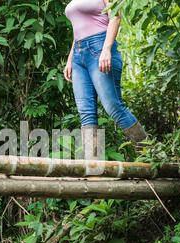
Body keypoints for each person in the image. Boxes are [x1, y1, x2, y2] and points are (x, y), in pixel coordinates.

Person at [64, 0, 147, 159]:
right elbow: (78, 31)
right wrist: (69, 60)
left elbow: (115, 16)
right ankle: (93, 164)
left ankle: (151, 155)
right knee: (86, 113)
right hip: (78, 55)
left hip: (100, 47)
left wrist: (106, 49)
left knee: (114, 107)